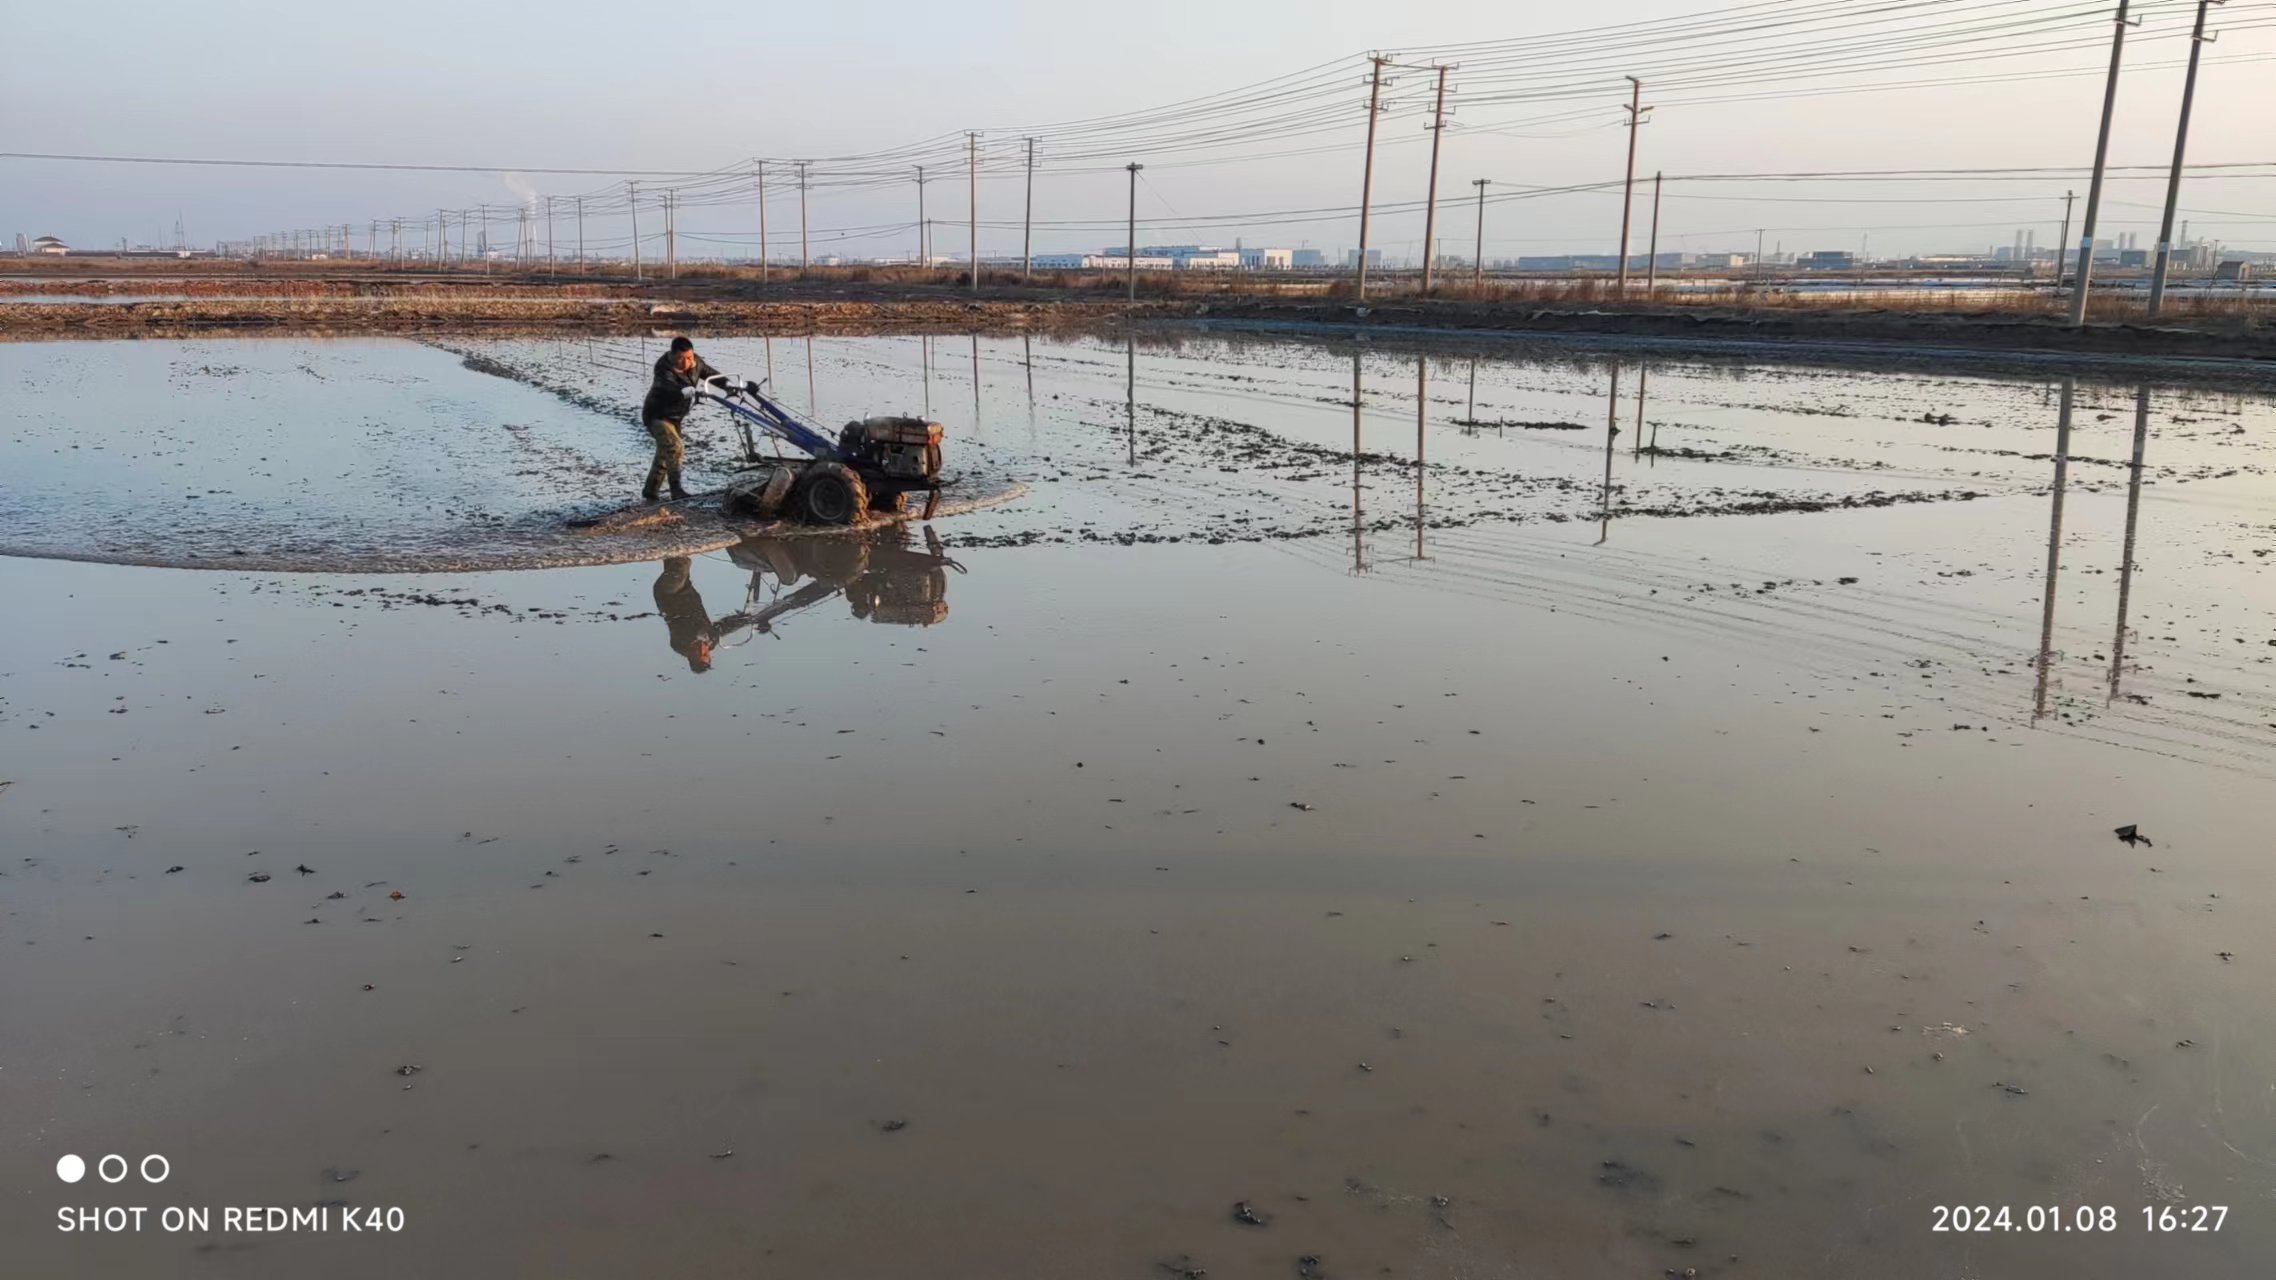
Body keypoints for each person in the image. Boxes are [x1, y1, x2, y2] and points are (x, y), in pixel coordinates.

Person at [640, 336, 724, 502]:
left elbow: (711, 375)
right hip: (657, 415)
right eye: (681, 358)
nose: (686, 362)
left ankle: (650, 491)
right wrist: (684, 391)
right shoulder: (663, 367)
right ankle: (676, 490)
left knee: (664, 453)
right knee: (675, 447)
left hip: (676, 416)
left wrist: (731, 385)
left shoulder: (695, 362)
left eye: (689, 358)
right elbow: (668, 387)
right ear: (672, 355)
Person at [652, 556, 716, 673]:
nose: (702, 650)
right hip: (686, 589)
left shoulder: (679, 644)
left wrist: (700, 636)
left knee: (683, 562)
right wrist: (746, 620)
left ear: (690, 656)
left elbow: (685, 631)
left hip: (668, 593)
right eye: (705, 654)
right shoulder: (711, 641)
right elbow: (724, 627)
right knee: (672, 557)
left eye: (698, 654)